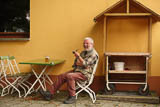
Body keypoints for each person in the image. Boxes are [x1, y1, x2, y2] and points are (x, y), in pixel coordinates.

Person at [39, 37, 99, 104]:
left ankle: (72, 97)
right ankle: (49, 93)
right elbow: (76, 63)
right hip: (78, 71)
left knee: (70, 76)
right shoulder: (83, 52)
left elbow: (85, 64)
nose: (85, 45)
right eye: (84, 43)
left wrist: (79, 58)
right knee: (61, 76)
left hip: (85, 75)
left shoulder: (93, 54)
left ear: (92, 44)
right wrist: (81, 63)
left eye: (87, 43)